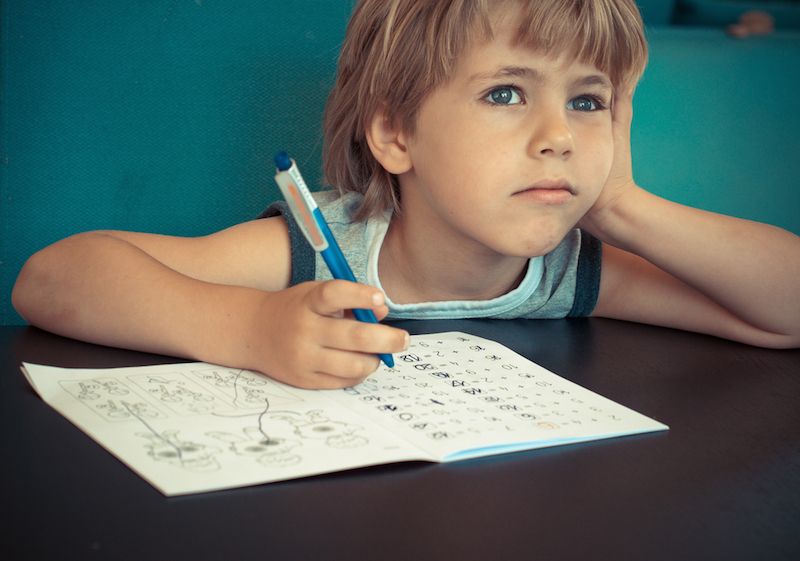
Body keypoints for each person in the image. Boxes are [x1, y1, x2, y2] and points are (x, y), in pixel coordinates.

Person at [12, 0, 800, 390]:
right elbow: (53, 277)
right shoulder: (322, 248)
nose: (558, 134)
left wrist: (620, 204)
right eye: (505, 94)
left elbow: (783, 311)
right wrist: (248, 326)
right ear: (395, 134)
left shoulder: (575, 267)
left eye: (588, 102)